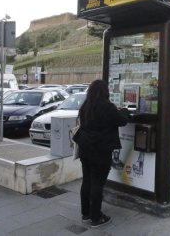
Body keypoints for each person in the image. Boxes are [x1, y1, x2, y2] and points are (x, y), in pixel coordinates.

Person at [76, 80, 130, 228]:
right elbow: (122, 121)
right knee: (98, 183)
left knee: (87, 180)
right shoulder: (108, 107)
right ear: (105, 92)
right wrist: (124, 111)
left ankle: (86, 214)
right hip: (100, 150)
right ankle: (96, 217)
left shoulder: (85, 106)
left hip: (85, 148)